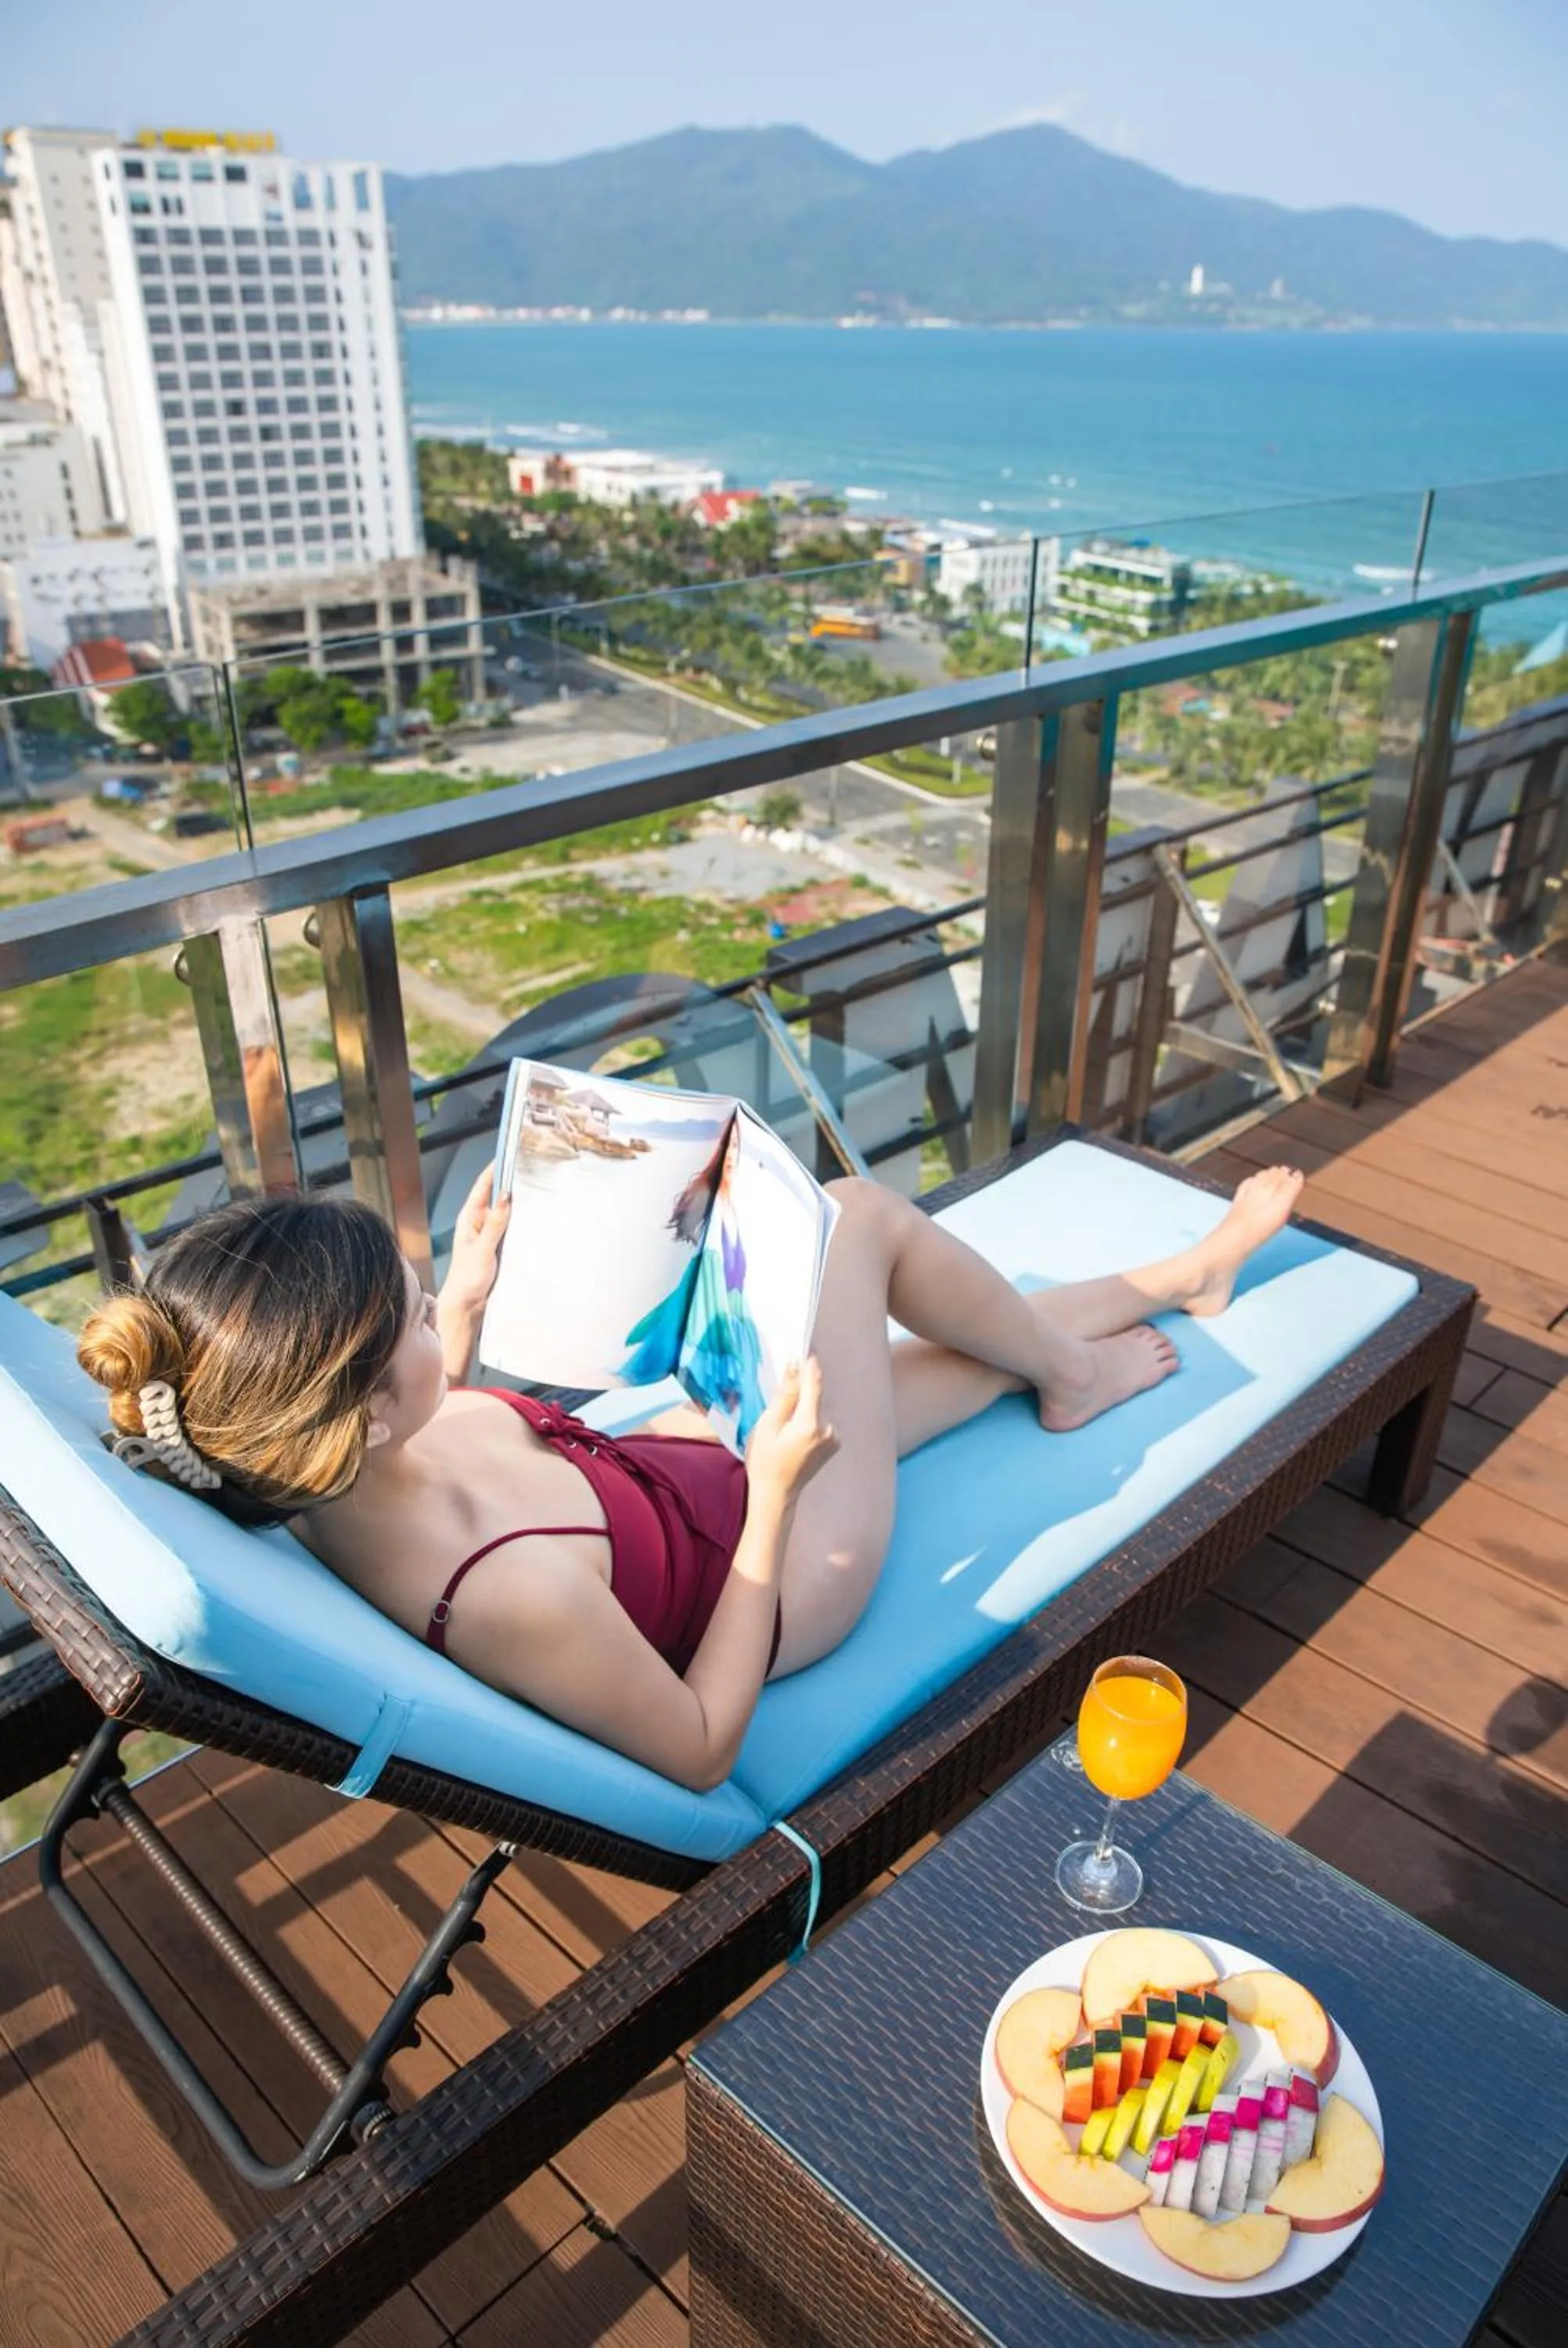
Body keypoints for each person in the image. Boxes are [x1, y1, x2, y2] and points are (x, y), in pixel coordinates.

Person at [77, 1159, 1304, 1794]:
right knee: (856, 1219)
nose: (429, 1306)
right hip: (778, 1571)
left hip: (671, 1478)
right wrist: (773, 1495)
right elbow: (707, 1745)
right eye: (407, 1317)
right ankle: (1086, 1365)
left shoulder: (317, 1477)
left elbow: (420, 1419)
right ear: (359, 1414)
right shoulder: (515, 1598)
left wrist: (458, 1300)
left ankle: (1181, 1279)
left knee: (945, 1355)